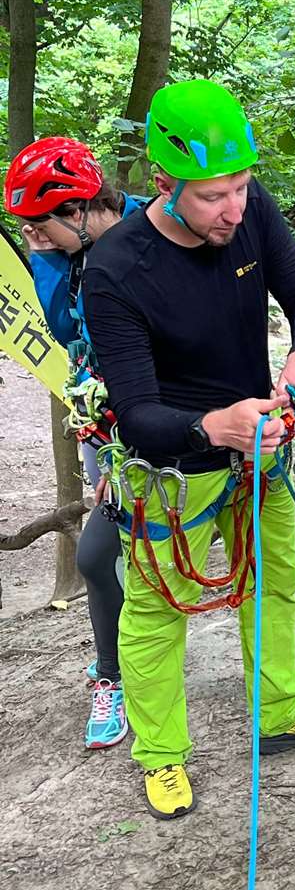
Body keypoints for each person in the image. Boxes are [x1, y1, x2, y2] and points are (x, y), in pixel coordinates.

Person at [81, 79, 295, 820]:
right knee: (155, 611)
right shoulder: (115, 269)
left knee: (274, 584)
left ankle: (279, 712)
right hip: (171, 469)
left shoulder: (252, 215)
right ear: (163, 183)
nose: (234, 209)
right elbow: (137, 413)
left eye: (241, 186)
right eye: (213, 195)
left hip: (258, 449)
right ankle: (162, 756)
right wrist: (214, 427)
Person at [3, 138, 146, 750]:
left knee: (104, 555)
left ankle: (130, 670)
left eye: (41, 229)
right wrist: (50, 258)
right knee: (103, 558)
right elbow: (64, 330)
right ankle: (113, 676)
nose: (33, 239)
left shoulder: (153, 234)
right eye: (25, 231)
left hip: (154, 422)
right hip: (101, 423)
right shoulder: (66, 253)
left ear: (82, 209)